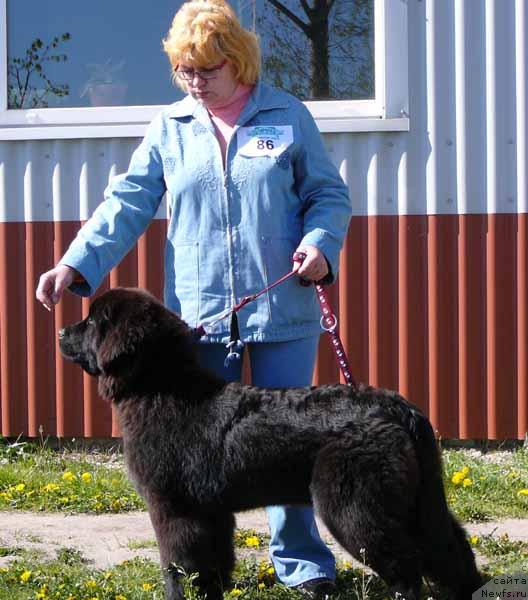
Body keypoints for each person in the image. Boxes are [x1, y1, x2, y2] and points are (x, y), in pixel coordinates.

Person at [36, 0, 352, 597]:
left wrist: (320, 246)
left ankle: (305, 570)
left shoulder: (287, 116)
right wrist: (75, 263)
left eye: (205, 70)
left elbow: (327, 194)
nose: (194, 81)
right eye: (184, 70)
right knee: (201, 465)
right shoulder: (169, 127)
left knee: (287, 454)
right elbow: (127, 202)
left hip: (283, 311)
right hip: (200, 321)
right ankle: (199, 573)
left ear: (237, 61)